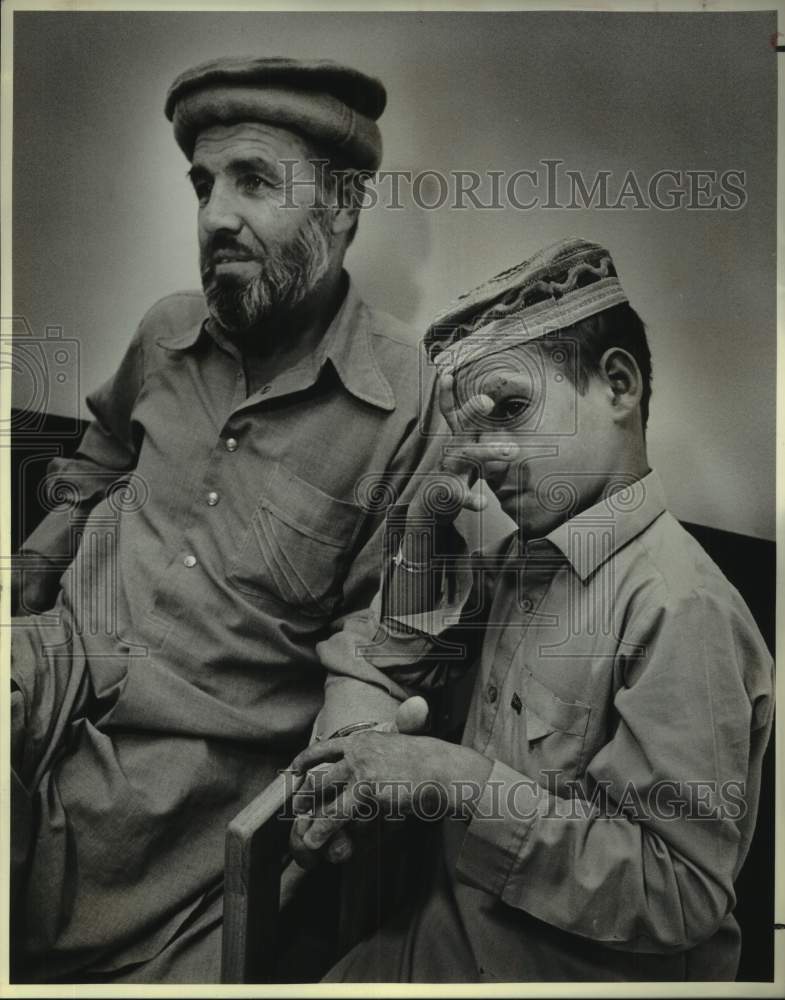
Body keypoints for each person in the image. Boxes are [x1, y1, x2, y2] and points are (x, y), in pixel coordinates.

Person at [10, 56, 440, 983]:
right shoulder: (166, 332)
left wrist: (343, 766)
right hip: (55, 663)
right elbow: (103, 455)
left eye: (253, 182)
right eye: (204, 185)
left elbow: (381, 632)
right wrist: (34, 564)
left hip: (186, 779)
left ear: (341, 205)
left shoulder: (406, 399)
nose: (213, 217)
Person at [290, 237, 775, 982]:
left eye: (509, 409)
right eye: (468, 431)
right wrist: (422, 533)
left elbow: (679, 894)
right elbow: (399, 661)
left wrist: (447, 776)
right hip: (441, 939)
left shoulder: (683, 609)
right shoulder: (522, 559)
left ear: (618, 386)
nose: (481, 455)